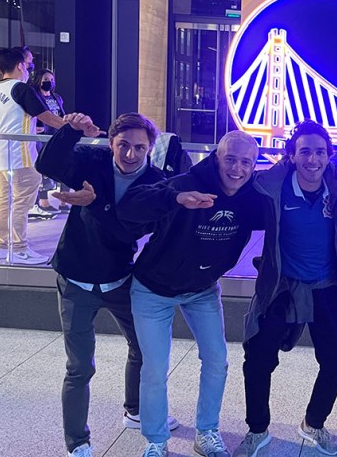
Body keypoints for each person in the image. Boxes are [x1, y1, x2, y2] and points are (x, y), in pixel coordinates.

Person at [35, 112, 175, 457]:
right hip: (75, 279)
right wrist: (69, 131)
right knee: (79, 366)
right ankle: (77, 443)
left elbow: (128, 229)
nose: (130, 154)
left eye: (139, 147)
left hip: (120, 279)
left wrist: (95, 203)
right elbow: (48, 163)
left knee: (142, 348)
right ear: (111, 142)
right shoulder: (93, 161)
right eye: (123, 145)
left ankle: (136, 410)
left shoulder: (156, 183)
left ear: (150, 148)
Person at [119, 130, 265, 457]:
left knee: (217, 360)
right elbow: (130, 206)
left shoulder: (251, 197)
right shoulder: (186, 184)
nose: (237, 169)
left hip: (201, 290)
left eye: (246, 162)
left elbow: (291, 187)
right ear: (216, 157)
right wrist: (174, 199)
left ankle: (207, 432)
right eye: (230, 159)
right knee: (155, 368)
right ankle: (156, 440)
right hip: (153, 289)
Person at [235, 120, 337, 457]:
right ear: (292, 155)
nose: (312, 159)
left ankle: (313, 422)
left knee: (334, 361)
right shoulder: (271, 187)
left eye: (319, 152)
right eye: (304, 152)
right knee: (257, 358)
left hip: (328, 287)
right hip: (282, 287)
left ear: (329, 155)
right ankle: (258, 430)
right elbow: (227, 181)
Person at [0, 47, 65, 265]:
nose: (29, 69)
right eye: (28, 65)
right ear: (19, 66)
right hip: (21, 156)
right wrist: (75, 127)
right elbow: (48, 118)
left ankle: (2, 246)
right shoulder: (21, 89)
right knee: (21, 203)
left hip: (0, 155)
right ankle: (18, 248)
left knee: (4, 201)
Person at [29, 68, 68, 217]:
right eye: (46, 79)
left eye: (51, 80)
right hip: (42, 137)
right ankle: (44, 202)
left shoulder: (56, 97)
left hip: (57, 135)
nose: (49, 82)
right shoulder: (34, 97)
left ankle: (64, 200)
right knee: (44, 168)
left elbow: (61, 114)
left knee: (64, 165)